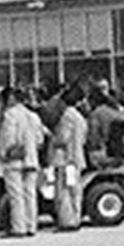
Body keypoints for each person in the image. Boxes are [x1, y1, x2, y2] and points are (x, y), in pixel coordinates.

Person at [0, 85, 46, 237]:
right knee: (30, 194)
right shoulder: (34, 116)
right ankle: (31, 226)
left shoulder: (10, 115)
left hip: (14, 161)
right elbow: (40, 140)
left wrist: (3, 154)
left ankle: (18, 227)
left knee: (16, 195)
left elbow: (7, 138)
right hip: (31, 159)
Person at [49, 84, 88, 231]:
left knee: (64, 191)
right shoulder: (80, 117)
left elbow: (62, 138)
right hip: (77, 158)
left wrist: (52, 138)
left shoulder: (66, 117)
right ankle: (75, 218)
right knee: (75, 190)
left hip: (65, 159)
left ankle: (67, 221)